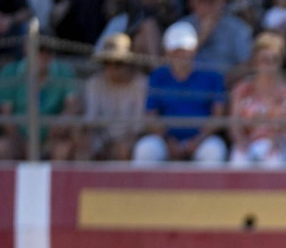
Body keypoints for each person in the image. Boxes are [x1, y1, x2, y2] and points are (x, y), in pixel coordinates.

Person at [133, 21, 229, 163]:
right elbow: (151, 114)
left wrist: (198, 141)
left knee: (214, 151)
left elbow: (218, 114)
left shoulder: (212, 75)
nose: (181, 55)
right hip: (165, 140)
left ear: (194, 49)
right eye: (176, 50)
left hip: (202, 140)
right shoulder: (158, 76)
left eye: (185, 50)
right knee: (146, 150)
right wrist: (167, 141)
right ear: (167, 52)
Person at [0, 36, 81, 162]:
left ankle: (58, 182)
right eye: (39, 49)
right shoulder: (10, 72)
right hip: (19, 139)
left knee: (65, 147)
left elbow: (73, 106)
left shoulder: (65, 71)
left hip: (53, 139)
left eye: (49, 50)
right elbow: (6, 116)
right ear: (26, 49)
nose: (44, 54)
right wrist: (23, 143)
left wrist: (62, 121)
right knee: (2, 146)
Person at [227, 32, 286, 164]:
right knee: (238, 160)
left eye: (274, 60)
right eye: (265, 60)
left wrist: (276, 143)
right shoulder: (242, 89)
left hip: (278, 145)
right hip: (246, 143)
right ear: (255, 62)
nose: (270, 66)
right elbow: (235, 124)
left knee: (273, 160)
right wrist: (243, 144)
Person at [77, 33, 149, 161]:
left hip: (130, 140)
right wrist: (100, 144)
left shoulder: (141, 84)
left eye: (118, 63)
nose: (112, 68)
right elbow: (91, 121)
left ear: (128, 63)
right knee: (82, 149)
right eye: (107, 62)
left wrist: (120, 145)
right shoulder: (95, 83)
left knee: (123, 150)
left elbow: (138, 127)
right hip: (100, 138)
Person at [178, 0, 255, 78]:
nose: (205, 7)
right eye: (200, 2)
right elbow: (173, 61)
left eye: (211, 3)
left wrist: (226, 80)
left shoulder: (239, 29)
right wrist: (201, 37)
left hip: (223, 85)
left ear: (222, 3)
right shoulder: (182, 26)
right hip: (186, 84)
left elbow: (246, 65)